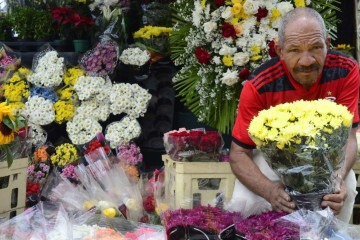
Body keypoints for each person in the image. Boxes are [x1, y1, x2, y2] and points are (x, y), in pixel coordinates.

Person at [227, 7, 359, 223]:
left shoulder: (346, 70)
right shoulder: (259, 85)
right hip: (272, 162)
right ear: (280, 50)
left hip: (326, 162)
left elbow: (349, 137)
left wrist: (337, 179)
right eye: (295, 50)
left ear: (327, 44)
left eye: (316, 48)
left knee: (348, 187)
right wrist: (269, 191)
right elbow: (239, 154)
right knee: (245, 201)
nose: (306, 61)